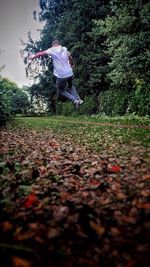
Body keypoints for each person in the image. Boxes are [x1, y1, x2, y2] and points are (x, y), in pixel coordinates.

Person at [28, 40, 83, 108]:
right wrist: (72, 64)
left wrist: (33, 56)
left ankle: (75, 100)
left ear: (53, 44)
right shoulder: (64, 49)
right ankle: (79, 99)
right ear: (59, 44)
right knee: (70, 86)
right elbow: (70, 57)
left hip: (61, 75)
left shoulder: (51, 50)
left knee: (61, 91)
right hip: (70, 73)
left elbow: (41, 53)